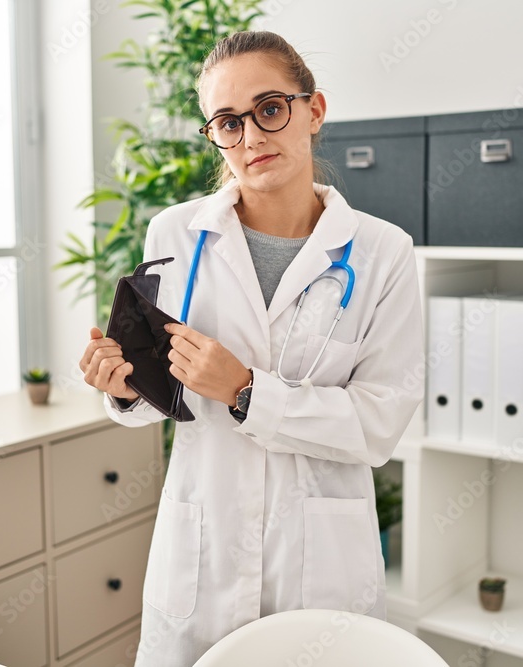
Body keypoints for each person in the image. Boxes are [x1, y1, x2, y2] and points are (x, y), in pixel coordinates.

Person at [78, 30, 425, 667]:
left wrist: (245, 391)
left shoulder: (384, 253)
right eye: (227, 122)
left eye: (270, 109)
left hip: (321, 568)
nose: (250, 138)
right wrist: (125, 387)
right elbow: (166, 392)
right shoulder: (177, 233)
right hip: (202, 555)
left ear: (313, 111)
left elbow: (378, 425)